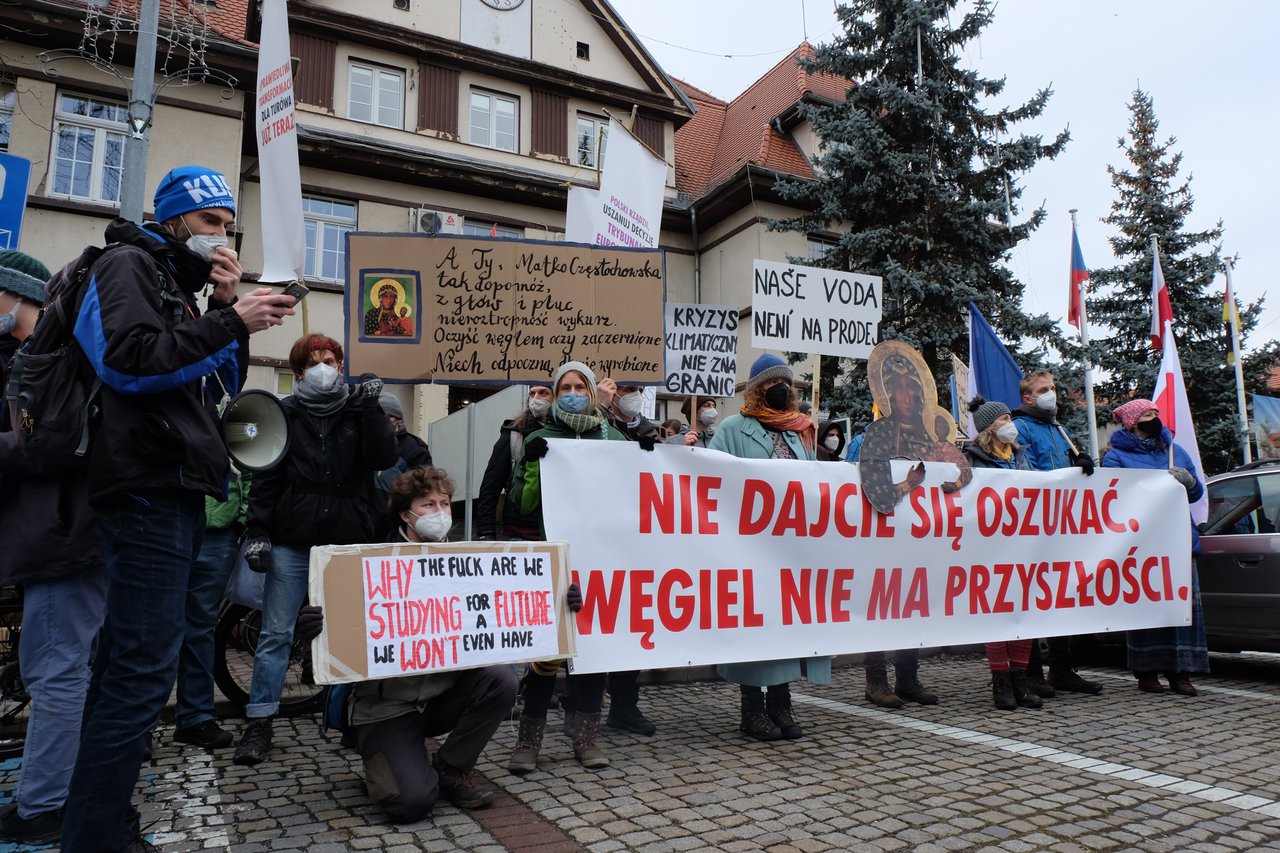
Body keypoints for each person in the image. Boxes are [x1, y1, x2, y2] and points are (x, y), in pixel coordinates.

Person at [59, 165, 296, 853]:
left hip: (169, 486)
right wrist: (227, 316)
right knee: (139, 668)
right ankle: (99, 835)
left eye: (229, 223)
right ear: (175, 219)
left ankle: (96, 825)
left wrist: (225, 310)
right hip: (144, 486)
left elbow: (219, 384)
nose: (223, 234)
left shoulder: (175, 289)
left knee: (127, 665)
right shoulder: (126, 264)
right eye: (213, 221)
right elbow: (130, 362)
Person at [234, 333, 398, 766]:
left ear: (341, 365)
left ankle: (355, 716)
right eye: (313, 361)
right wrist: (258, 531)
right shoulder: (282, 413)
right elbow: (267, 477)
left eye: (330, 358)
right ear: (298, 372)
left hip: (347, 541)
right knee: (275, 634)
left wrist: (371, 407)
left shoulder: (357, 409)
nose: (323, 366)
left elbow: (385, 454)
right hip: (293, 540)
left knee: (354, 633)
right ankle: (260, 721)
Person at [0, 251, 108, 846]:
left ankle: (44, 803)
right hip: (53, 535)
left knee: (57, 669)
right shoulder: (43, 358)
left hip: (63, 536)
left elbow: (43, 444)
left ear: (16, 298)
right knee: (64, 667)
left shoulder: (50, 363)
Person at [347, 467, 518, 820]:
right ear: (405, 514)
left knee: (501, 679)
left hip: (440, 696)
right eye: (428, 504)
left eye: (444, 503)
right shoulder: (370, 565)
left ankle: (450, 768)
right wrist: (316, 627)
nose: (439, 512)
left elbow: (509, 611)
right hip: (387, 704)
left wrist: (557, 600)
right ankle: (384, 757)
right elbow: (338, 639)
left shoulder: (465, 564)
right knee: (410, 803)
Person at [506, 360, 626, 772]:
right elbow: (521, 506)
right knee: (547, 652)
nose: (573, 392)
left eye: (580, 386)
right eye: (565, 387)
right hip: (553, 559)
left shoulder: (610, 436)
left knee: (591, 652)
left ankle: (586, 739)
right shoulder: (539, 437)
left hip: (599, 559)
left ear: (592, 393)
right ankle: (528, 742)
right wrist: (532, 464)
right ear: (555, 394)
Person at [709, 353, 828, 740]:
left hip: (791, 548)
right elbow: (715, 481)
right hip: (750, 545)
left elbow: (812, 483)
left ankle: (781, 702)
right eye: (772, 384)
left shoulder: (799, 430)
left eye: (787, 384)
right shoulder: (732, 427)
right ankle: (751, 709)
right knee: (755, 624)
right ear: (758, 389)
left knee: (786, 624)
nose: (782, 390)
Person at [1102, 398, 1208, 696]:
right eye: (1148, 414)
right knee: (1145, 607)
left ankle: (1181, 672)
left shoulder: (1175, 451)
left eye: (1156, 413)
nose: (1155, 417)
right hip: (1142, 542)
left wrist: (1189, 482)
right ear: (1133, 422)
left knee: (1181, 605)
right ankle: (1146, 672)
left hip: (1178, 538)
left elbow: (1196, 491)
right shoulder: (1117, 457)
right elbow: (1111, 496)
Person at [1011, 370, 1102, 698]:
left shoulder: (1058, 428)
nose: (1052, 394)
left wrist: (1081, 466)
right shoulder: (1020, 427)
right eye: (1044, 390)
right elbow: (1026, 474)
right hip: (1034, 527)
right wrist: (1065, 475)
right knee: (1033, 597)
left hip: (1063, 525)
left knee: (1063, 596)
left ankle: (1062, 669)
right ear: (1028, 397)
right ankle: (1032, 672)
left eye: (1053, 389)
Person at [962, 398, 1041, 711]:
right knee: (996, 613)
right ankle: (1001, 681)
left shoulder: (1022, 455)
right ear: (988, 427)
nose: (1011, 423)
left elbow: (1042, 489)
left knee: (1024, 612)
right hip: (990, 546)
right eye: (1004, 418)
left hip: (1024, 544)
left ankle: (1020, 680)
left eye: (1010, 416)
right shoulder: (971, 458)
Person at [172, 468, 250, 750]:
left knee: (200, 628)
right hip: (169, 526)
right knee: (156, 628)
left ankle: (195, 717)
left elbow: (250, 466)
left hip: (217, 535)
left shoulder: (227, 422)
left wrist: (239, 520)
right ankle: (139, 725)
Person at [476, 384, 552, 541]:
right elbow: (490, 486)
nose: (536, 398)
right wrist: (486, 533)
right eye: (532, 393)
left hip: (558, 529)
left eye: (543, 393)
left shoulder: (567, 433)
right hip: (521, 531)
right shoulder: (513, 436)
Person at [373, 393, 433, 535]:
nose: (379, 421)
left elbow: (423, 489)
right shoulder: (362, 445)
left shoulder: (414, 449)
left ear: (397, 419)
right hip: (365, 527)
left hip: (397, 528)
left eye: (385, 416)